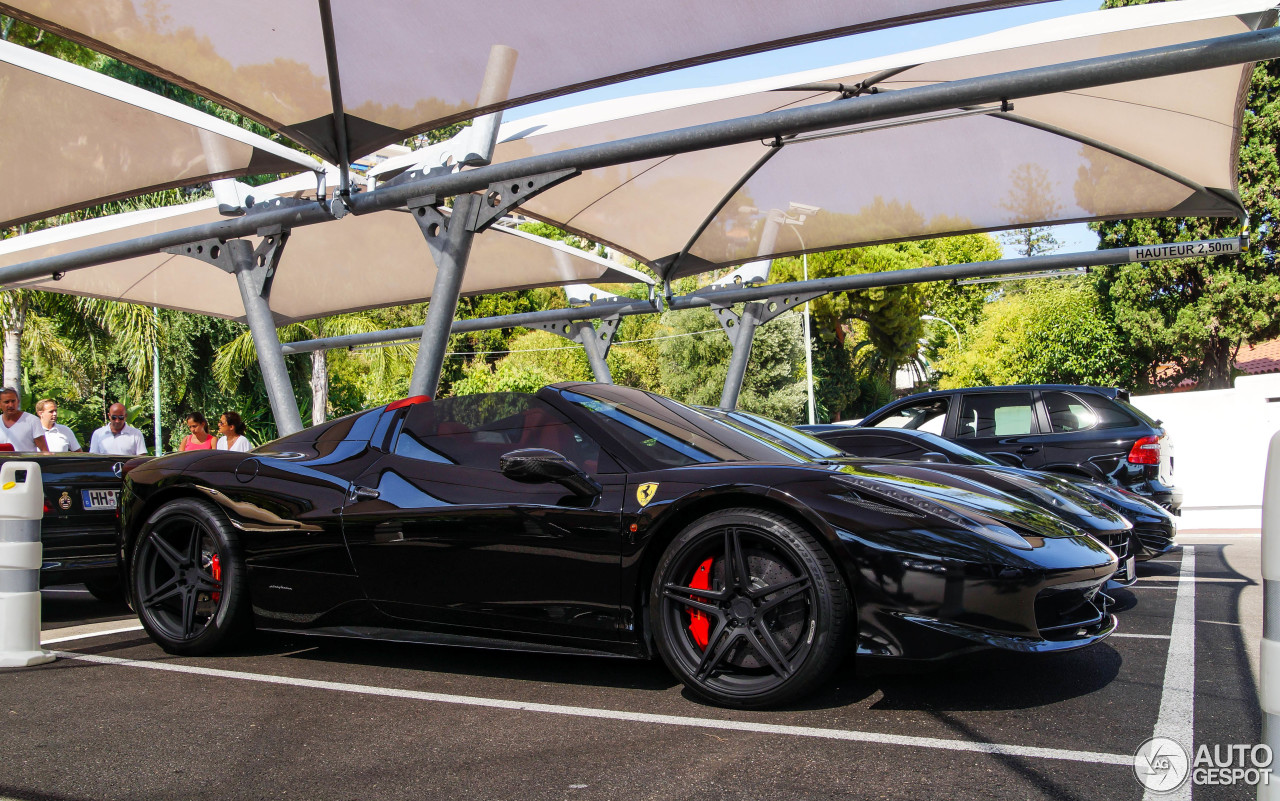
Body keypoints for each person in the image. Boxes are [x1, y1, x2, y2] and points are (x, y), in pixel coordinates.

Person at [0, 388, 49, 452]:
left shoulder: (32, 421)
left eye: (13, 401)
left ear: (18, 402)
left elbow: (44, 451)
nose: (11, 405)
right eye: (7, 402)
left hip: (27, 462)